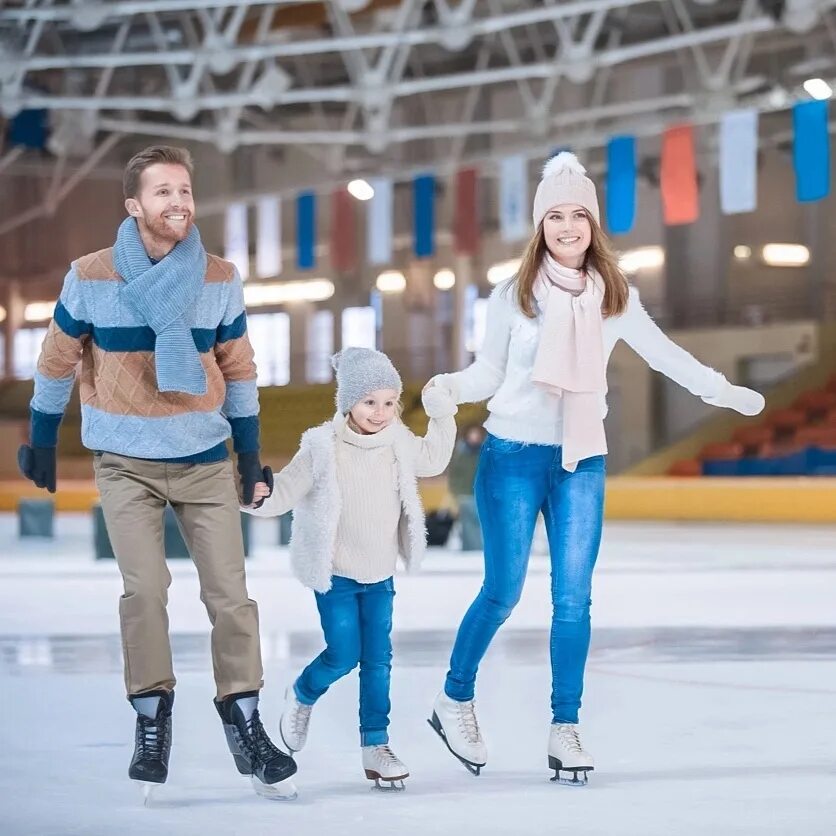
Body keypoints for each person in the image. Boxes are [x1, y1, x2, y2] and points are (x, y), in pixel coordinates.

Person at [424, 152, 765, 784]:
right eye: (555, 215)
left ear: (594, 222)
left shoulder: (615, 295)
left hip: (581, 458)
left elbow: (665, 354)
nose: (567, 226)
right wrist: (449, 385)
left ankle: (565, 726)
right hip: (512, 456)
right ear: (540, 225)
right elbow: (489, 372)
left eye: (578, 213)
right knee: (503, 592)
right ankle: (455, 696)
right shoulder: (512, 295)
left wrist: (722, 391)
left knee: (574, 598)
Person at [18, 145, 296, 800]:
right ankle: (152, 719)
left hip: (203, 458)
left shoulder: (219, 276)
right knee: (144, 590)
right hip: (126, 463)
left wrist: (250, 457)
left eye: (185, 192)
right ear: (134, 205)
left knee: (232, 596)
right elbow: (58, 358)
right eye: (163, 192)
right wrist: (39, 435)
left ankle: (245, 721)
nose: (178, 203)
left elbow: (238, 368)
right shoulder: (90, 276)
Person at [243, 347, 457, 790]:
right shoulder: (322, 445)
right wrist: (258, 497)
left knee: (378, 660)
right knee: (344, 654)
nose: (380, 413)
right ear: (348, 403)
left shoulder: (398, 440)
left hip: (380, 574)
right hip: (337, 574)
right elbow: (287, 489)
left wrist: (442, 415)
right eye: (369, 402)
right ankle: (303, 693)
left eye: (389, 402)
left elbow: (434, 460)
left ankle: (375, 745)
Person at [447, 424, 487, 550]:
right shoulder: (461, 454)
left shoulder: (485, 453)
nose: (474, 438)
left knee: (481, 521)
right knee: (467, 523)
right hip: (464, 494)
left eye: (476, 435)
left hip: (481, 493)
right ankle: (469, 548)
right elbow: (453, 474)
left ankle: (482, 548)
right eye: (472, 435)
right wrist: (456, 491)